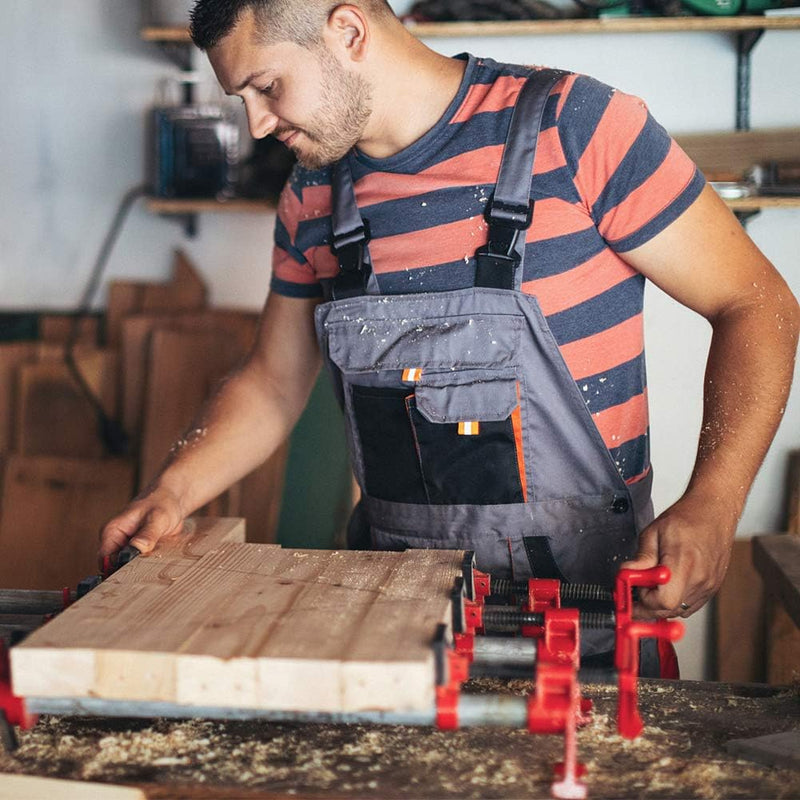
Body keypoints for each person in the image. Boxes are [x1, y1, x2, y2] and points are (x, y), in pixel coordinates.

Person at [100, 0, 798, 666]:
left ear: (347, 32)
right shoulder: (311, 195)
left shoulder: (578, 127)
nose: (255, 124)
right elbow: (274, 381)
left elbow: (755, 303)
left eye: (267, 86)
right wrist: (173, 492)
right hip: (390, 631)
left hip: (591, 632)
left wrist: (713, 503)